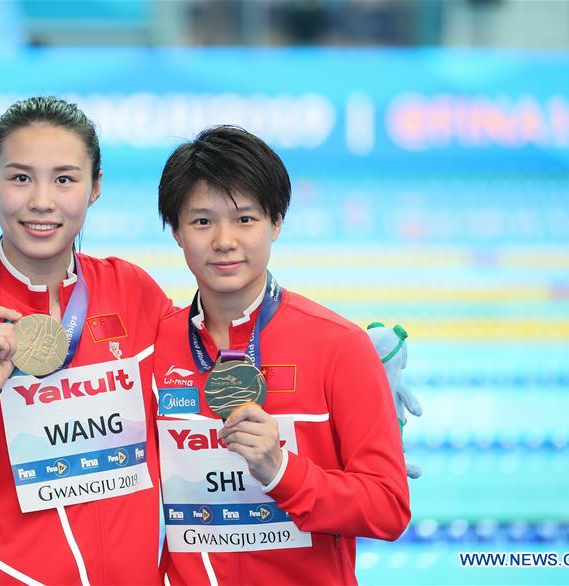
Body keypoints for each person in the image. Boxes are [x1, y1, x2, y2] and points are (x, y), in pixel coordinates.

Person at [0, 96, 172, 585]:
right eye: (20, 177)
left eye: (64, 179)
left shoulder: (133, 293)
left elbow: (204, 377)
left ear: (95, 187)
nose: (42, 200)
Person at [153, 126, 411, 585]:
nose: (224, 240)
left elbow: (388, 509)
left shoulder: (338, 346)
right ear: (175, 231)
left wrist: (282, 470)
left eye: (245, 219)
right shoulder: (153, 348)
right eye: (202, 221)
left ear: (276, 222)